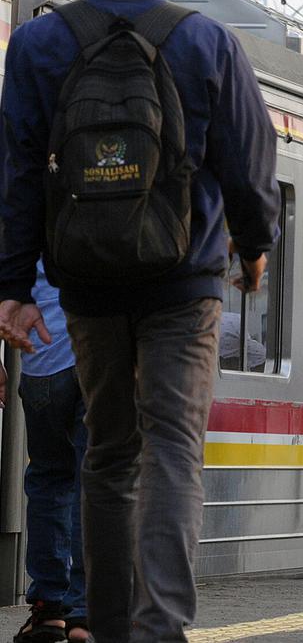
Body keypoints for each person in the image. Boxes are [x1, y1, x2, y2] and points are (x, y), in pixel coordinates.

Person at [0, 0, 281, 639]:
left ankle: (110, 624)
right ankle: (160, 627)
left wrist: (12, 285)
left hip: (87, 282)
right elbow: (249, 163)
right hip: (183, 281)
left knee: (109, 451)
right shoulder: (206, 42)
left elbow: (19, 174)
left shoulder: (37, 47)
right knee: (174, 449)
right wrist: (253, 248)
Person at [12, 265, 90, 643]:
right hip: (100, 355)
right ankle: (86, 609)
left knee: (48, 478)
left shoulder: (23, 207)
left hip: (41, 360)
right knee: (95, 481)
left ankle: (48, 610)